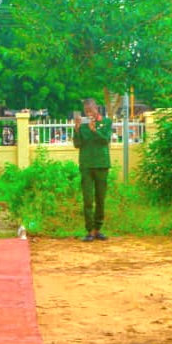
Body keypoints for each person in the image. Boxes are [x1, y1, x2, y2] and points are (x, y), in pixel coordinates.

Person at [73, 98, 112, 241]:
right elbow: (77, 144)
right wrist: (77, 129)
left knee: (100, 199)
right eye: (86, 111)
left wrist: (95, 130)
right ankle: (89, 231)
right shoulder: (82, 125)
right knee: (88, 199)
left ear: (97, 109)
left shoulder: (106, 122)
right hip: (86, 165)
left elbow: (106, 140)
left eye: (91, 110)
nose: (89, 113)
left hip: (102, 164)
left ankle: (98, 229)